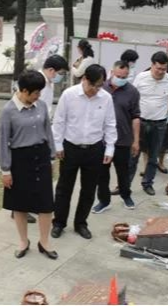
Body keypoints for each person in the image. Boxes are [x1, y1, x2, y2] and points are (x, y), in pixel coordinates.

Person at [51, 64, 117, 239]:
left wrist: (110, 147)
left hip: (94, 149)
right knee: (64, 188)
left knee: (88, 189)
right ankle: (58, 222)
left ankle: (81, 223)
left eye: (99, 86)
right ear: (84, 79)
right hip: (70, 148)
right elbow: (59, 122)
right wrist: (58, 145)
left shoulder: (106, 98)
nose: (95, 90)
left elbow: (110, 124)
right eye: (92, 85)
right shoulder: (69, 95)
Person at [0, 70, 58, 260]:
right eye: (35, 93)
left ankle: (44, 242)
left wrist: (52, 157)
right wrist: (5, 170)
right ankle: (24, 241)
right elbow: (3, 142)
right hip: (20, 160)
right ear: (23, 91)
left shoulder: (40, 106)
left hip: (41, 156)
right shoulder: (8, 111)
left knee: (46, 204)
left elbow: (47, 131)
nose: (38, 96)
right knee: (20, 205)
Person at [133, 52, 168, 196]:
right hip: (141, 122)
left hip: (160, 123)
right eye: (158, 69)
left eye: (164, 69)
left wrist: (167, 107)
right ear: (152, 65)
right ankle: (124, 185)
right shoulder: (141, 78)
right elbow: (133, 96)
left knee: (153, 155)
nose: (161, 72)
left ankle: (147, 183)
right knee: (133, 155)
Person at [92, 61, 140, 213]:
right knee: (102, 174)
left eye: (124, 77)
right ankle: (104, 201)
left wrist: (136, 140)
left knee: (123, 172)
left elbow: (136, 117)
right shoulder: (100, 88)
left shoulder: (132, 91)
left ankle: (126, 195)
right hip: (102, 140)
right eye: (118, 75)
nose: (120, 79)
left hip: (123, 139)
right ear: (111, 72)